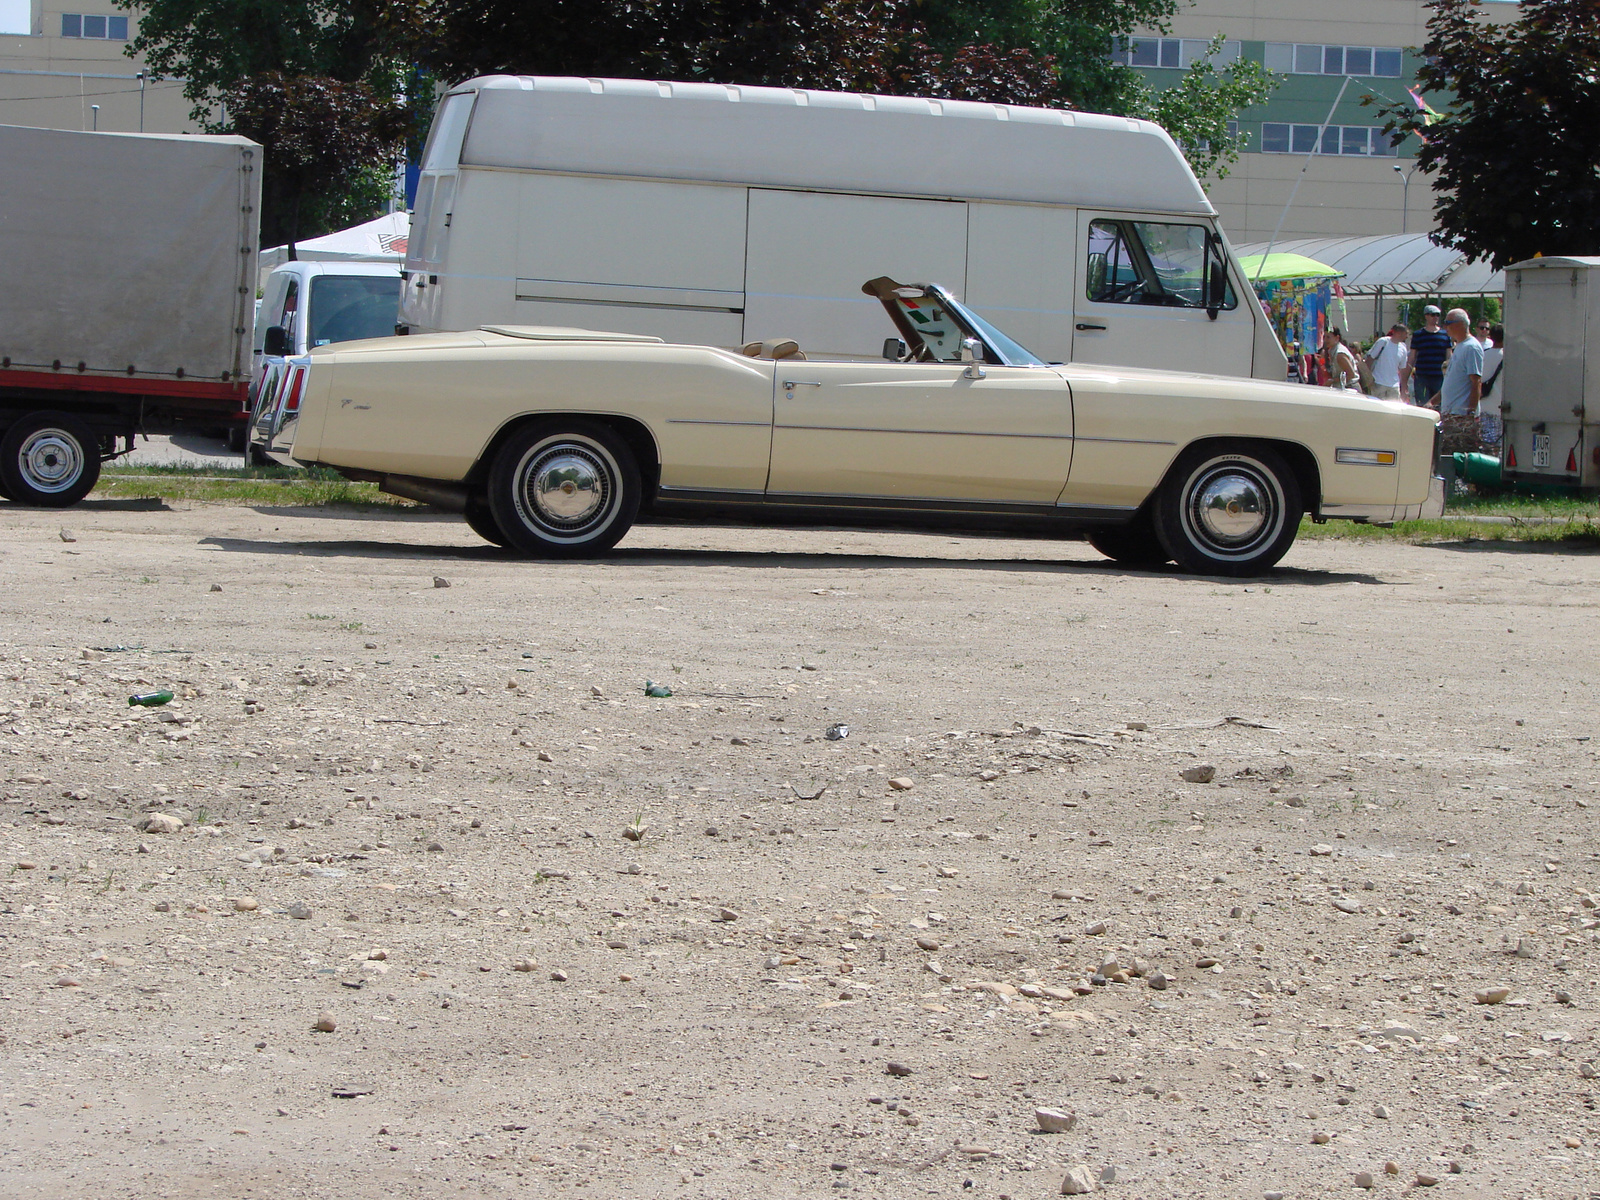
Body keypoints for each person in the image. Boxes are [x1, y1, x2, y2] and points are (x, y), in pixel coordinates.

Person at [1436, 307, 1484, 454]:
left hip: (1461, 416)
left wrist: (1469, 413)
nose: (1445, 327)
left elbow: (1476, 382)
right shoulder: (1460, 346)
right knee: (1448, 455)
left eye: (1448, 323)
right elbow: (1452, 381)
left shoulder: (1472, 347)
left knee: (1459, 455)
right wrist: (1433, 401)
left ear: (1460, 324)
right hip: (1451, 414)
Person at [1407, 304, 1451, 406]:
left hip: (1439, 376)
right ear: (1426, 316)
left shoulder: (1445, 335)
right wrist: (1405, 378)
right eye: (1433, 315)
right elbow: (1412, 357)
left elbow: (1449, 356)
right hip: (1422, 376)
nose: (1435, 317)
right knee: (1422, 404)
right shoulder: (1418, 335)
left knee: (1439, 404)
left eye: (1437, 315)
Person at [1366, 323, 1410, 400]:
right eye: (1405, 333)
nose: (1407, 336)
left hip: (1394, 385)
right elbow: (1370, 359)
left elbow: (1402, 369)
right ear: (1398, 333)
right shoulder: (1383, 342)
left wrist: (1403, 388)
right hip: (1378, 382)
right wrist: (1367, 379)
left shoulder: (1403, 348)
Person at [1479, 322, 1505, 448]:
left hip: (1483, 407)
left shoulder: (1483, 355)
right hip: (1500, 408)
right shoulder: (1508, 356)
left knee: (1485, 447)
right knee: (1498, 449)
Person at [1322, 327, 1359, 391]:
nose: (1325, 340)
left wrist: (1332, 380)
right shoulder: (1332, 351)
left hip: (1350, 388)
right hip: (1343, 388)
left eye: (1328, 337)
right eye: (1324, 337)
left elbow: (1351, 375)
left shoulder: (1340, 354)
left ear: (1337, 338)